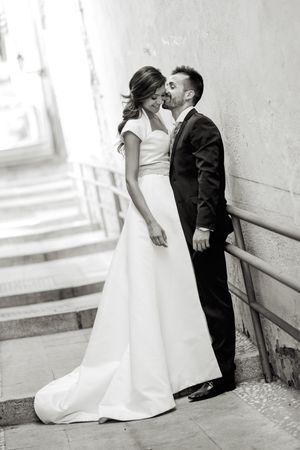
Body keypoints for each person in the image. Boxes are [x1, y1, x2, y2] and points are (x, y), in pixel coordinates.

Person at [34, 66, 221, 425]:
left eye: (160, 92)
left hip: (167, 202)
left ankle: (179, 370)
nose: (159, 98)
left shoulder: (160, 119)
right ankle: (148, 376)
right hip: (149, 205)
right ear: (139, 94)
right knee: (149, 289)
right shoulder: (135, 125)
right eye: (152, 94)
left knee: (172, 286)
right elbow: (130, 180)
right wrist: (150, 220)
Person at [163, 66, 236, 401]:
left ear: (189, 94)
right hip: (188, 228)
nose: (166, 89)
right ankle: (209, 370)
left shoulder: (200, 125)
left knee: (214, 300)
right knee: (202, 300)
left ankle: (223, 375)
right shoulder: (180, 127)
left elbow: (211, 177)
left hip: (201, 229)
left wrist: (204, 225)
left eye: (172, 85)